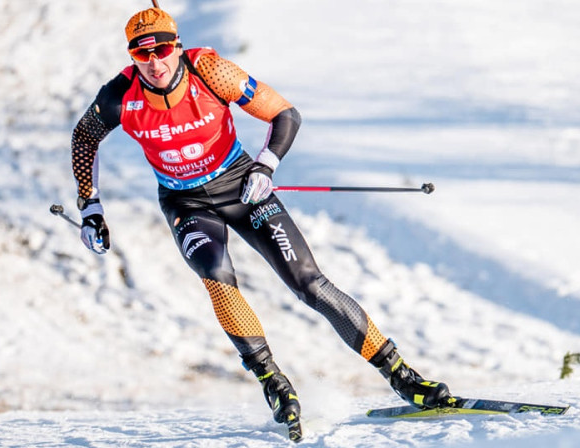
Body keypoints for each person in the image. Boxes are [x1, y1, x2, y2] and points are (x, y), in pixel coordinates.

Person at [70, 7, 452, 435]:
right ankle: (275, 384)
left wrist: (265, 166)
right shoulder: (119, 96)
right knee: (217, 275)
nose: (154, 62)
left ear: (176, 46)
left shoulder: (210, 71)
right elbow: (84, 138)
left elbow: (285, 114)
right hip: (186, 203)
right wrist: (90, 208)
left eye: (161, 49)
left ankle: (403, 378)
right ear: (132, 57)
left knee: (309, 282)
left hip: (241, 186)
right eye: (142, 55)